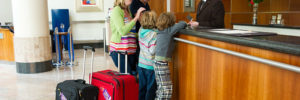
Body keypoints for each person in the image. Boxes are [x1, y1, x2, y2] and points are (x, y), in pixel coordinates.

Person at [154, 12, 187, 100]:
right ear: (170, 22)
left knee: (162, 88)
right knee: (166, 90)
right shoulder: (169, 30)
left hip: (158, 63)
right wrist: (181, 23)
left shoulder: (160, 30)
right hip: (161, 64)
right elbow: (182, 24)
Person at [110, 0, 145, 75]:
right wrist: (136, 18)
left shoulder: (128, 10)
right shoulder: (116, 10)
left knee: (133, 76)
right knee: (128, 76)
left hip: (131, 50)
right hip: (119, 50)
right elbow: (123, 31)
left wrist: (143, 34)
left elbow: (130, 32)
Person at [137, 11, 158, 100]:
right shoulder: (154, 34)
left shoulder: (140, 30)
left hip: (141, 64)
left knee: (142, 88)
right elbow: (152, 51)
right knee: (150, 89)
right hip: (150, 66)